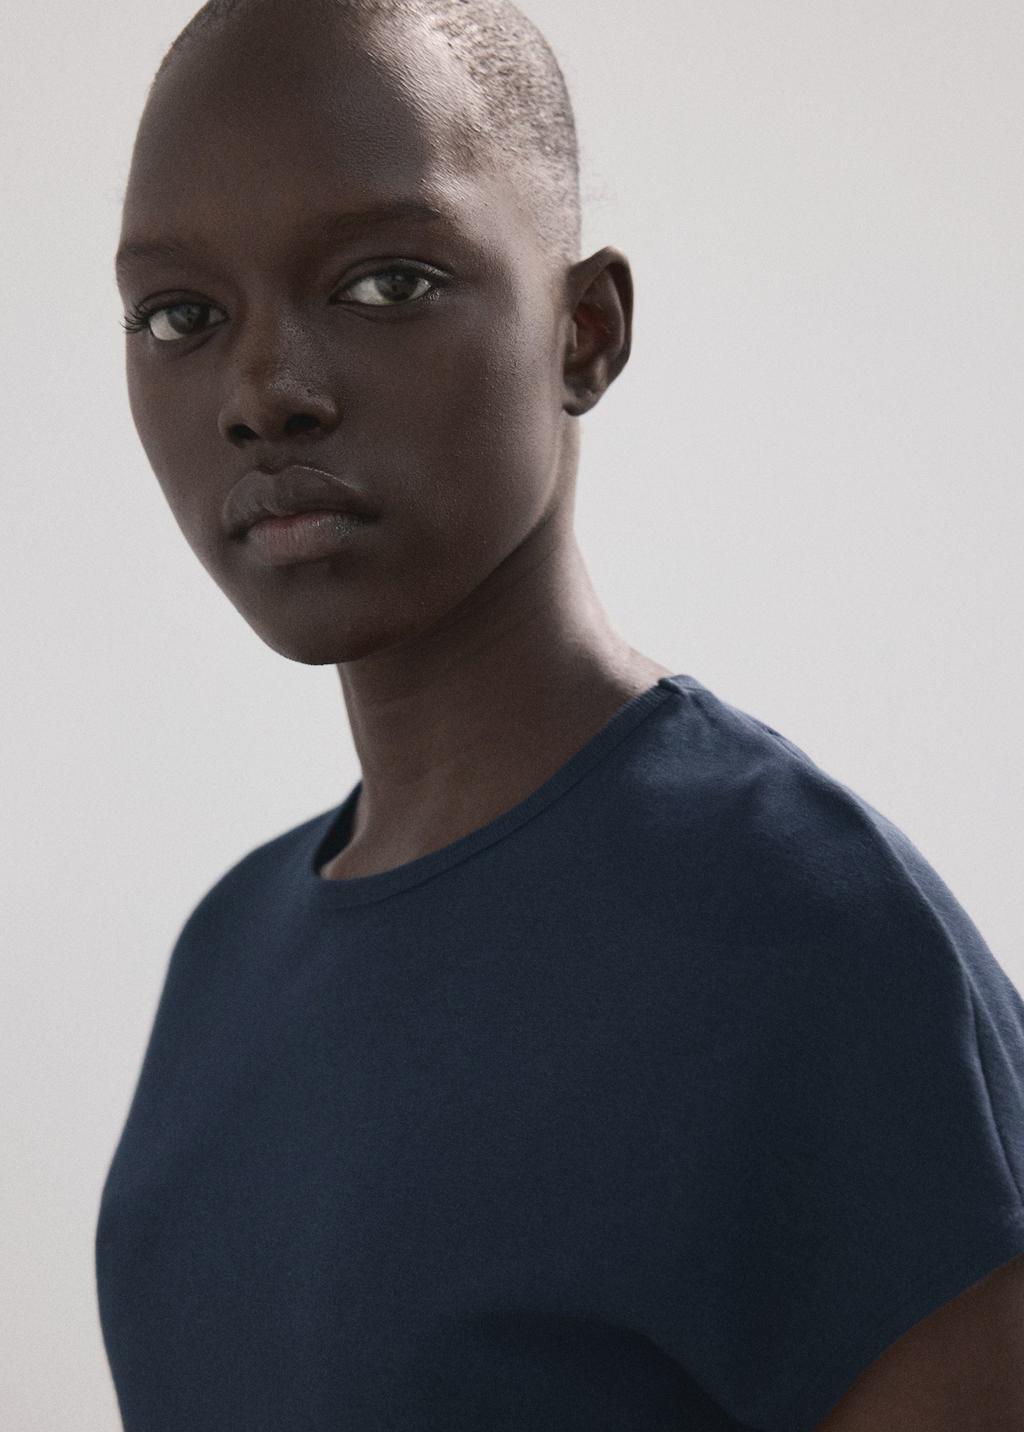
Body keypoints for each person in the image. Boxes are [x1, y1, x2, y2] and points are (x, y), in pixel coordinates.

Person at [96, 1, 1024, 1429]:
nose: (265, 395)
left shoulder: (812, 943)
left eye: (386, 283)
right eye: (181, 316)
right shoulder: (225, 958)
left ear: (584, 333)